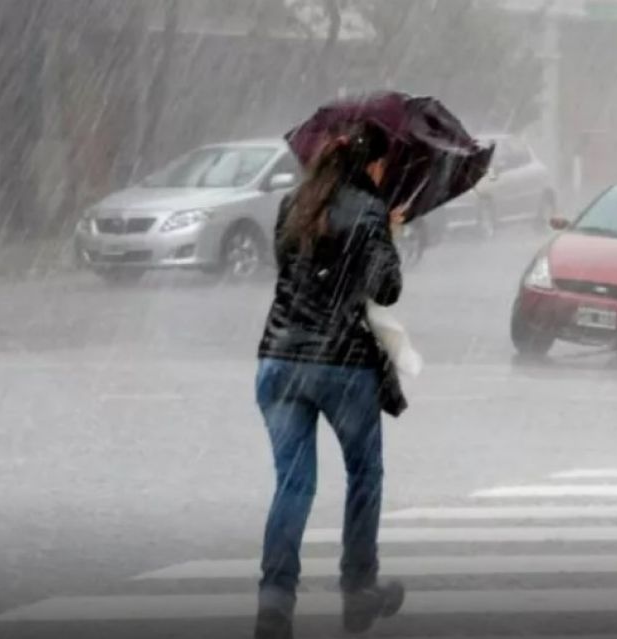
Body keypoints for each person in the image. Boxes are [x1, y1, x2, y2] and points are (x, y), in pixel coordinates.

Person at [255, 121, 406, 639]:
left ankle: (275, 597)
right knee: (364, 475)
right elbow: (386, 289)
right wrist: (387, 232)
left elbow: (292, 269)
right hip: (340, 365)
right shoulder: (368, 211)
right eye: (385, 165)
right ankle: (358, 585)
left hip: (277, 360)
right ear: (373, 164)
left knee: (293, 484)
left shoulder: (292, 204)